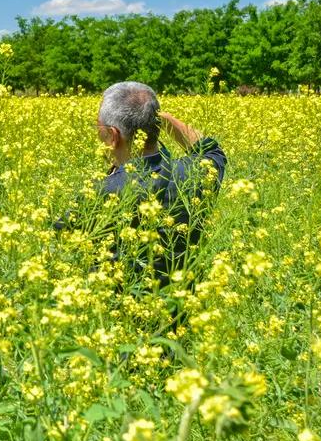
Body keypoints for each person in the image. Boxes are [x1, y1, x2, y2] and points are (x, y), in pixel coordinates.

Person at [55, 81, 228, 289]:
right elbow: (211, 150)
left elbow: (59, 240)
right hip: (183, 305)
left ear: (112, 135)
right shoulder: (198, 173)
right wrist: (163, 119)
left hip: (119, 305)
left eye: (99, 128)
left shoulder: (102, 192)